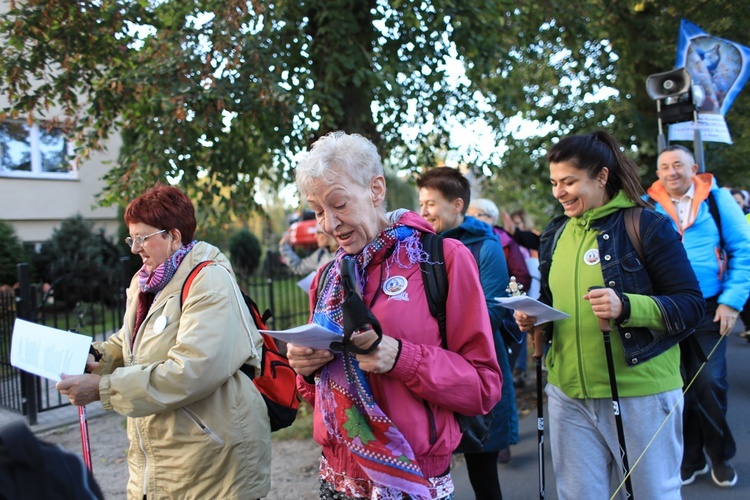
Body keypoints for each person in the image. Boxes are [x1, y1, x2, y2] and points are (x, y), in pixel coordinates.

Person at [286, 132, 502, 500]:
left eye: (339, 204)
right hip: (337, 476)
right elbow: (319, 394)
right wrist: (304, 367)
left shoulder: (443, 258)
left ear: (376, 188)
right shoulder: (325, 278)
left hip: (414, 479)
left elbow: (484, 387)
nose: (328, 223)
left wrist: (401, 358)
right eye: (318, 210)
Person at [516, 131, 704, 499]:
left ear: (601, 177)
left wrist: (628, 306)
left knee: (653, 494)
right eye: (555, 182)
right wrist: (535, 319)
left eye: (570, 181)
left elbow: (691, 305)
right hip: (567, 393)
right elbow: (553, 301)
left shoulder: (647, 225)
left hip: (641, 393)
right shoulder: (555, 232)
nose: (560, 192)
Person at [55, 184, 272, 499]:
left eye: (142, 238)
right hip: (162, 459)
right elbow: (129, 340)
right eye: (132, 239)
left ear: (173, 236)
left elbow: (192, 370)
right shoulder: (145, 281)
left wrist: (103, 389)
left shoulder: (208, 281)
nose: (134, 249)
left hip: (212, 459)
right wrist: (99, 357)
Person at [647, 144, 750, 488]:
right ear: (658, 173)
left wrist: (731, 302)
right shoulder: (648, 206)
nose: (671, 172)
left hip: (710, 307)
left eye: (678, 164)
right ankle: (691, 458)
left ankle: (719, 455)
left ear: (694, 169)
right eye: (664, 167)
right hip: (668, 309)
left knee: (708, 381)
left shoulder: (717, 201)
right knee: (677, 389)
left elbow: (743, 251)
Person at [417, 167, 517, 497]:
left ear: (457, 204)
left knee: (483, 473)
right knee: (433, 473)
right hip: (433, 372)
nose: (423, 212)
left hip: (473, 372)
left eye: (431, 203)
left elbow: (493, 313)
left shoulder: (485, 247)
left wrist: (435, 328)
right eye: (421, 204)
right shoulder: (418, 247)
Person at [468, 198, 532, 390]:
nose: (472, 219)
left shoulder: (504, 241)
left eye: (477, 215)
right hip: (472, 313)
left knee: (500, 375)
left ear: (492, 217)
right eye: (469, 215)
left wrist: (496, 290)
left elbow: (522, 276)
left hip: (501, 316)